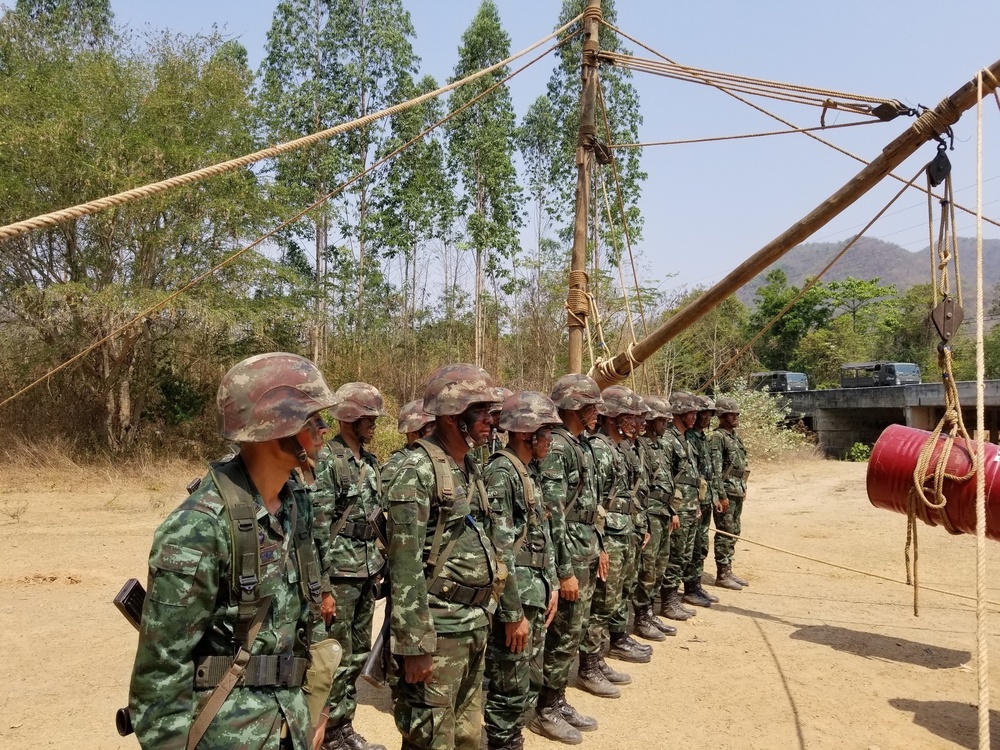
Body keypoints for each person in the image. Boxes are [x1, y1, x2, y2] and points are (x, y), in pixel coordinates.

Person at [128, 352, 339, 750]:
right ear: (279, 427)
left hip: (289, 724)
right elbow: (159, 677)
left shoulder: (297, 504)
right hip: (226, 734)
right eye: (313, 420)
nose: (324, 430)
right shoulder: (198, 527)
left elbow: (302, 629)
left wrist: (314, 713)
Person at [384, 363, 503, 750]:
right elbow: (404, 567)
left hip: (472, 624)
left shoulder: (469, 465)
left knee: (468, 734)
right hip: (439, 630)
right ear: (453, 417)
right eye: (481, 411)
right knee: (431, 737)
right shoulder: (416, 471)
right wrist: (415, 646)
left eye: (492, 411)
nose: (491, 419)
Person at [313, 383, 390, 750]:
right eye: (367, 417)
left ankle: (343, 727)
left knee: (357, 654)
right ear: (349, 419)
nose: (373, 423)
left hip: (364, 571)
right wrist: (324, 588)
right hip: (340, 574)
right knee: (334, 655)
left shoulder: (371, 463)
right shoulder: (329, 459)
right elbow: (317, 526)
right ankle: (328, 732)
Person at [483, 391, 561, 750]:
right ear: (525, 433)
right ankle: (503, 743)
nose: (551, 440)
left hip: (536, 589)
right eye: (545, 433)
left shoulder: (528, 470)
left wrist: (553, 584)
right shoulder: (501, 472)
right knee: (509, 685)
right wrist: (513, 613)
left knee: (527, 678)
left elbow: (542, 533)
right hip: (517, 597)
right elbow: (500, 551)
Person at [535, 374, 609, 727]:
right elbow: (553, 515)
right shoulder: (560, 449)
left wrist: (600, 547)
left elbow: (590, 506)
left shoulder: (580, 444)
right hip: (570, 556)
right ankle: (546, 707)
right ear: (577, 408)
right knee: (562, 634)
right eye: (591, 406)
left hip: (585, 549)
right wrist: (562, 571)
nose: (597, 413)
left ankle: (558, 699)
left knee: (573, 631)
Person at [584, 385, 651, 678]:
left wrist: (639, 525)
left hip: (624, 531)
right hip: (608, 537)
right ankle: (589, 665)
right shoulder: (598, 450)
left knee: (617, 596)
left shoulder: (620, 448)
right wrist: (599, 548)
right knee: (601, 602)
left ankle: (601, 656)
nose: (638, 424)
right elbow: (593, 502)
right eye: (630, 417)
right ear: (612, 418)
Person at [632, 395, 678, 640]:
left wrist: (672, 511)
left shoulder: (660, 445)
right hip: (649, 514)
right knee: (647, 569)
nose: (665, 424)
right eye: (662, 420)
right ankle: (641, 617)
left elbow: (667, 481)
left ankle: (649, 612)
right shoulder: (641, 446)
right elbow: (643, 487)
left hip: (662, 512)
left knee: (659, 566)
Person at [659, 392, 701, 622]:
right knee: (674, 556)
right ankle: (668, 600)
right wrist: (673, 510)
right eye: (690, 413)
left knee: (684, 554)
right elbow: (666, 479)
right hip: (677, 508)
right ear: (679, 414)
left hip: (689, 505)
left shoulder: (686, 438)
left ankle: (674, 597)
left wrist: (695, 504)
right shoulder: (668, 440)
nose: (694, 417)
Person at [681, 395, 721, 608]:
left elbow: (709, 472)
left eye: (709, 414)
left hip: (703, 499)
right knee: (692, 545)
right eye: (703, 413)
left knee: (701, 544)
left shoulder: (703, 438)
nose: (706, 418)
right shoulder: (688, 438)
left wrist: (713, 496)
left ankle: (695, 583)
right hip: (692, 499)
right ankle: (689, 586)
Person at [710, 396, 751, 590]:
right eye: (731, 414)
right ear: (722, 416)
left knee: (734, 531)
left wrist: (743, 488)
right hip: (726, 490)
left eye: (736, 414)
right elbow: (716, 469)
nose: (735, 417)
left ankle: (729, 568)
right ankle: (722, 573)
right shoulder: (717, 438)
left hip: (737, 489)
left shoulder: (734, 436)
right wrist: (721, 495)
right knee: (725, 532)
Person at [382, 399, 435, 495]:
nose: (437, 431)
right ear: (413, 431)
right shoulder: (396, 465)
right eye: (431, 427)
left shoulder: (444, 456)